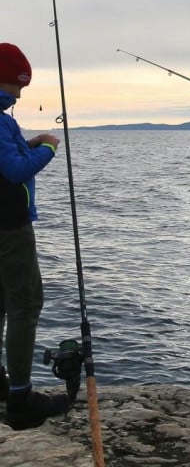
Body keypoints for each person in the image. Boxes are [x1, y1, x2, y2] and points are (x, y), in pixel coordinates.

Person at [0, 42, 70, 429]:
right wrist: (48, 149)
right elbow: (12, 171)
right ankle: (20, 397)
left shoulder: (3, 121)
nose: (19, 95)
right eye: (16, 86)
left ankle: (1, 383)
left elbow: (5, 157)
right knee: (25, 306)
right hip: (9, 229)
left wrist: (26, 144)